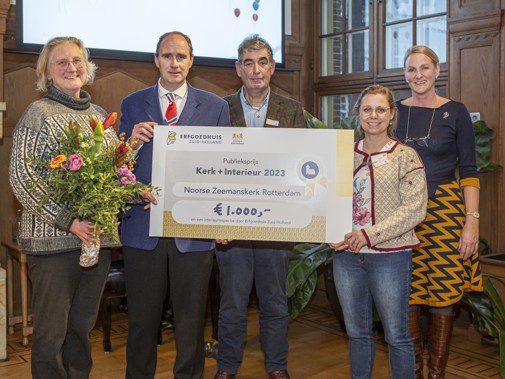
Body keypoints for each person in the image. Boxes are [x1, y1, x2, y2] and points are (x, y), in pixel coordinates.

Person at [118, 31, 230, 379]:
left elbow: (225, 168)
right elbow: (117, 168)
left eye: (181, 56)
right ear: (156, 60)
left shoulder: (215, 106)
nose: (174, 63)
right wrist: (132, 143)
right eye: (167, 56)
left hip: (193, 231)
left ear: (191, 61)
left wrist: (223, 219)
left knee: (191, 322)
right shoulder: (133, 104)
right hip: (142, 229)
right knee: (141, 323)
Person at [9, 36, 115, 379]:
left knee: (81, 332)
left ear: (88, 66)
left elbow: (113, 176)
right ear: (47, 73)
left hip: (93, 244)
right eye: (61, 62)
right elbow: (21, 177)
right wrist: (68, 221)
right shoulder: (37, 114)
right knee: (50, 337)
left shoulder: (100, 116)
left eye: (77, 60)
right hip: (53, 245)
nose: (71, 68)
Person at [214, 34, 306, 379]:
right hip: (231, 225)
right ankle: (226, 368)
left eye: (263, 61)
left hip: (275, 226)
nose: (256, 70)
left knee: (274, 303)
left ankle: (277, 366)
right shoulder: (218, 108)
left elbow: (303, 166)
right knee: (232, 304)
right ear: (238, 69)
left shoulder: (292, 109)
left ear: (272, 67)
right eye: (249, 62)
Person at [328, 84, 428, 379]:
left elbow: (414, 210)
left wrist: (368, 234)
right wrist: (328, 230)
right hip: (346, 257)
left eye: (381, 109)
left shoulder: (406, 156)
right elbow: (322, 196)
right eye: (367, 109)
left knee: (396, 335)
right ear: (358, 113)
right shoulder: (342, 155)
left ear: (392, 114)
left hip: (390, 258)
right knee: (357, 332)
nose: (374, 115)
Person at [395, 45, 483, 378]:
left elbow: (470, 170)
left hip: (445, 212)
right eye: (411, 69)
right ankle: (414, 371)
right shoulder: (393, 111)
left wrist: (471, 224)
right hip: (401, 211)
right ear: (405, 74)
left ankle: (436, 374)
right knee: (406, 293)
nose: (418, 75)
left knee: (443, 293)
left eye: (424, 68)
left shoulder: (456, 111)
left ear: (437, 70)